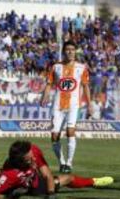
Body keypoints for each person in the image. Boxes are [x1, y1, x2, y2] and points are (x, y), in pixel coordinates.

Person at [0, 140, 113, 199]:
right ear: (19, 161)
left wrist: (51, 194)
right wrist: (6, 197)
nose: (33, 160)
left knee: (68, 178)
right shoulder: (8, 174)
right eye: (28, 160)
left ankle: (94, 181)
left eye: (32, 156)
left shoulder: (33, 150)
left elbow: (47, 174)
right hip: (19, 187)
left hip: (34, 182)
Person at [41, 40, 91, 173]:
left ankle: (69, 163)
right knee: (54, 135)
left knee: (70, 131)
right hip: (57, 105)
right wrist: (45, 96)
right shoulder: (56, 67)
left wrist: (90, 105)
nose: (70, 52)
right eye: (68, 49)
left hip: (74, 105)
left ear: (75, 52)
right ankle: (62, 162)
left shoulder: (81, 67)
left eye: (72, 49)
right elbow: (49, 83)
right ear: (64, 51)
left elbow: (86, 86)